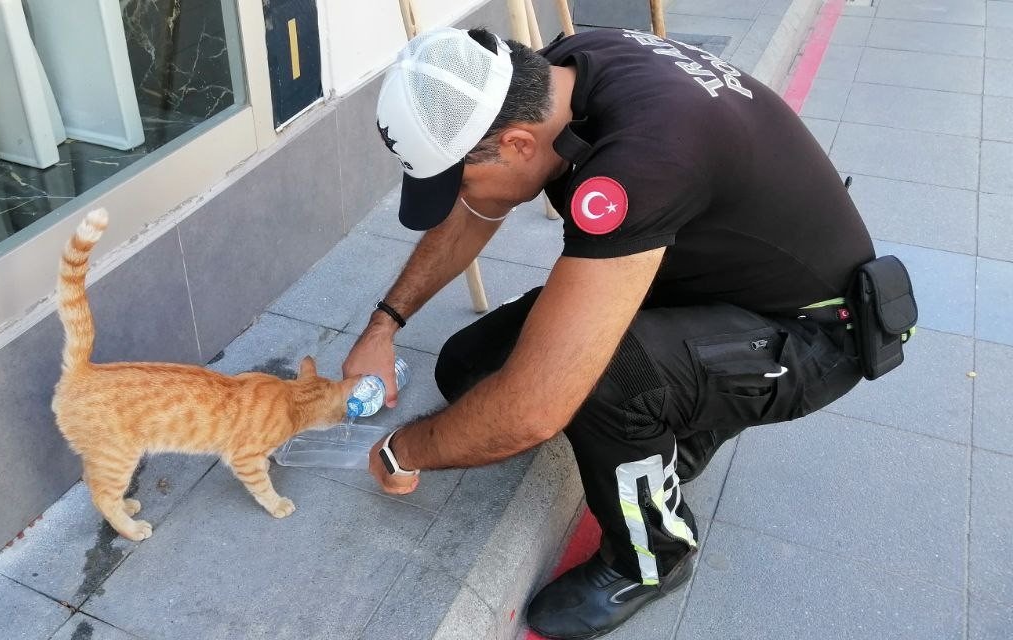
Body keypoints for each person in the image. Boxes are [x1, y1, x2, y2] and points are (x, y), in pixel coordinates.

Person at [341, 25, 892, 639]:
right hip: (707, 275)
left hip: (813, 331)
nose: (459, 198)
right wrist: (383, 325)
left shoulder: (637, 165)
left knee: (604, 377)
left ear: (520, 145)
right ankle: (685, 424)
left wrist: (401, 451)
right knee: (468, 367)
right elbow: (478, 210)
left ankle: (653, 556)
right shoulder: (555, 75)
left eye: (460, 179)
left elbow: (532, 411)